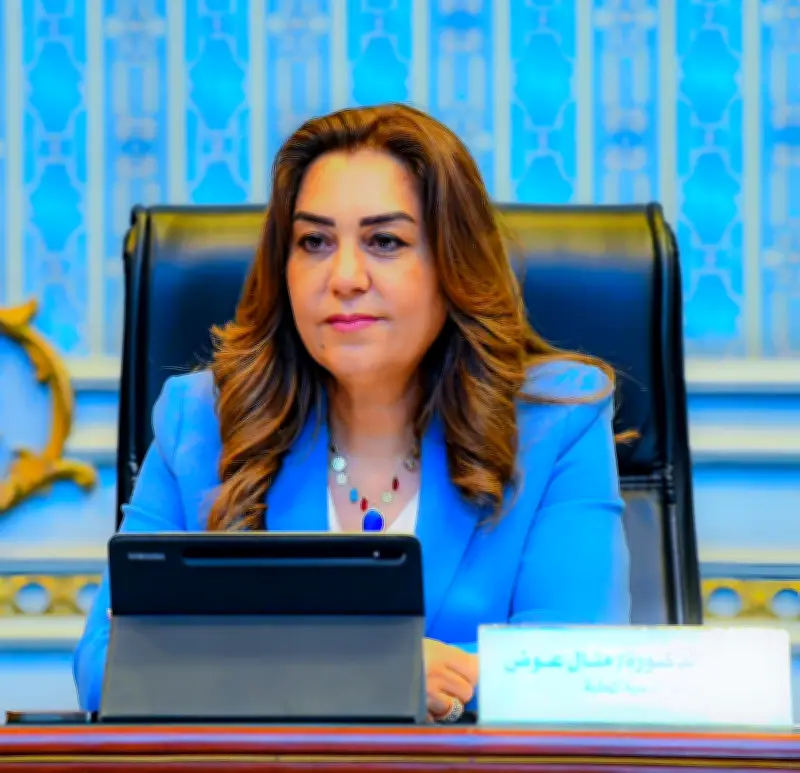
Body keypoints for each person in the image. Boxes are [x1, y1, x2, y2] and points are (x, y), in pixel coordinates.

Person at [74, 103, 630, 720]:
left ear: (454, 262)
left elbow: (576, 666)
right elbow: (106, 665)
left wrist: (249, 670)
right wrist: (374, 671)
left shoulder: (555, 418)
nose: (343, 277)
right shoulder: (203, 418)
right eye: (313, 242)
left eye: (385, 241)